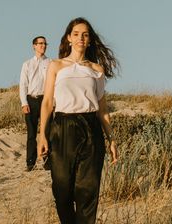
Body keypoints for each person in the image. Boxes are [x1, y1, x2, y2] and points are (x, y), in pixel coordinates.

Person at [38, 17, 119, 224]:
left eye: (85, 34)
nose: (81, 38)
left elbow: (102, 109)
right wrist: (42, 136)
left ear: (89, 40)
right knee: (62, 188)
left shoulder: (96, 70)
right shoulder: (56, 66)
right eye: (76, 34)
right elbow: (47, 102)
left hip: (91, 128)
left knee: (88, 190)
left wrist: (112, 139)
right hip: (63, 127)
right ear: (69, 38)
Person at [19, 35, 50, 171]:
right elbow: (23, 85)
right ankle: (30, 163)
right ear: (34, 46)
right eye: (40, 43)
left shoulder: (50, 63)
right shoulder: (27, 64)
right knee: (31, 134)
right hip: (31, 100)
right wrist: (24, 103)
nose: (43, 46)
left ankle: (48, 161)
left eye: (45, 43)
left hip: (45, 100)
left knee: (47, 131)